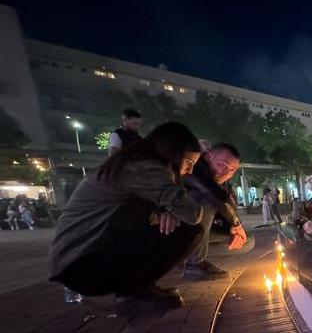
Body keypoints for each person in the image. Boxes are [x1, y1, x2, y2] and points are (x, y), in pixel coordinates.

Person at [50, 122, 204, 307]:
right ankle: (133, 290)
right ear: (173, 152)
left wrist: (166, 208)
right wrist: (171, 207)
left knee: (174, 227)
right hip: (83, 267)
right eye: (189, 162)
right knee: (190, 230)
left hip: (79, 263)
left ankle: (134, 288)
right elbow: (192, 213)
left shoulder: (134, 163)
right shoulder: (144, 168)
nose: (190, 170)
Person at [182, 143, 247, 280]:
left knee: (241, 237)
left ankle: (184, 256)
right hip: (168, 224)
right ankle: (194, 263)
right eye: (222, 164)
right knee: (208, 199)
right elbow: (212, 193)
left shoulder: (223, 185)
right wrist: (236, 224)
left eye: (231, 170)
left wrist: (232, 228)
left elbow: (224, 206)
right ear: (208, 156)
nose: (225, 172)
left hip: (191, 230)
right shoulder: (194, 167)